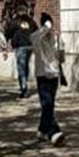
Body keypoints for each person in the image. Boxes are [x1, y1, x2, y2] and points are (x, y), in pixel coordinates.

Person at [30, 12, 65, 145]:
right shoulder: (37, 38)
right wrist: (47, 27)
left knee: (48, 105)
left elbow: (62, 57)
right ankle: (54, 132)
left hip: (53, 74)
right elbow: (34, 36)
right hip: (43, 74)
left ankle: (43, 130)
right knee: (47, 104)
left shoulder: (57, 39)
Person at [4, 10, 37, 98]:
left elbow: (8, 32)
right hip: (29, 46)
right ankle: (24, 84)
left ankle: (23, 88)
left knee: (21, 68)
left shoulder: (15, 21)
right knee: (26, 66)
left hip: (20, 47)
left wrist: (7, 42)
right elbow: (36, 31)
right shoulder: (31, 21)